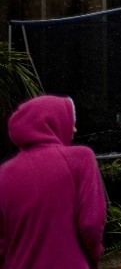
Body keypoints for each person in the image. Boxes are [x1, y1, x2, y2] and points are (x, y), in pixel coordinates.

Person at [0, 95, 107, 269]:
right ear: (52, 122)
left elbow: (2, 244)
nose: (74, 129)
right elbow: (91, 225)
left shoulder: (3, 174)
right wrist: (92, 260)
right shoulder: (80, 159)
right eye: (70, 120)